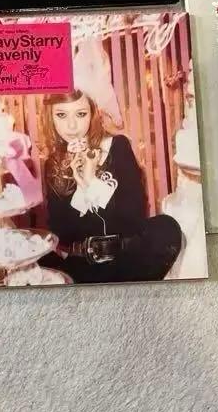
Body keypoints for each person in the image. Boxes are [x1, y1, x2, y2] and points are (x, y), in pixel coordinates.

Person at [36, 90, 183, 284]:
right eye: (61, 115)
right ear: (51, 117)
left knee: (165, 228)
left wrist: (91, 181)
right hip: (80, 266)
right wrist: (78, 185)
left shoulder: (117, 146)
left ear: (93, 113)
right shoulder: (53, 163)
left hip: (124, 260)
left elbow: (132, 218)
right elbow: (61, 231)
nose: (71, 126)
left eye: (81, 114)